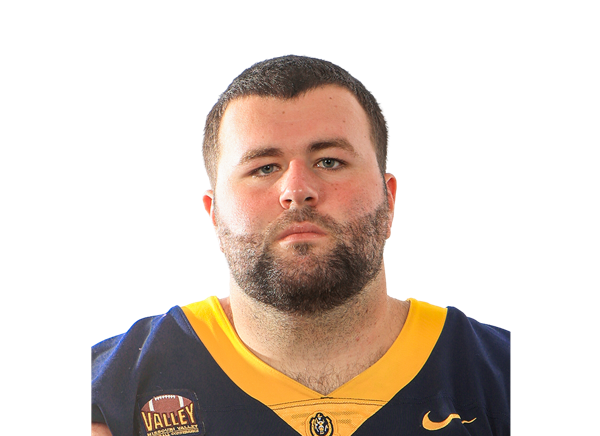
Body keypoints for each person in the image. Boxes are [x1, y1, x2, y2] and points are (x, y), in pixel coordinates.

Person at [91, 55, 511, 436]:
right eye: (264, 167)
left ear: (389, 200)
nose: (296, 190)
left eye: (329, 161)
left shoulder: (499, 374)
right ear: (213, 213)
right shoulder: (111, 396)